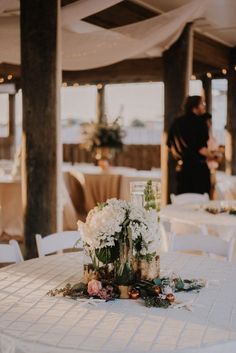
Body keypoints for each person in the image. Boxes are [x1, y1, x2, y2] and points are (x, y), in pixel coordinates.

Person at [167, 95, 217, 196]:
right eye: (202, 103)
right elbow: (201, 148)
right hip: (198, 171)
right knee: (200, 202)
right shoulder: (199, 122)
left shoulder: (176, 122)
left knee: (184, 201)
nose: (204, 106)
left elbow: (169, 144)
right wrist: (214, 156)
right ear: (195, 106)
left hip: (182, 169)